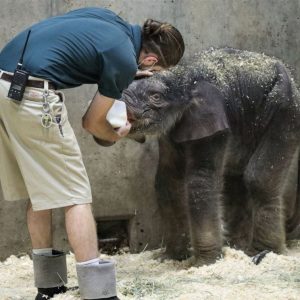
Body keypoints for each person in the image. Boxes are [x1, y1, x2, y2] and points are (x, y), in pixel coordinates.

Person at [0, 7, 184, 300]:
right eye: (155, 69)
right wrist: (118, 134)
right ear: (150, 60)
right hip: (35, 96)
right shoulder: (123, 58)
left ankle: (48, 286)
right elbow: (92, 123)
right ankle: (98, 293)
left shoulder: (112, 23)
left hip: (6, 83)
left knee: (41, 190)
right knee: (76, 194)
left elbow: (83, 47)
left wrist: (123, 72)